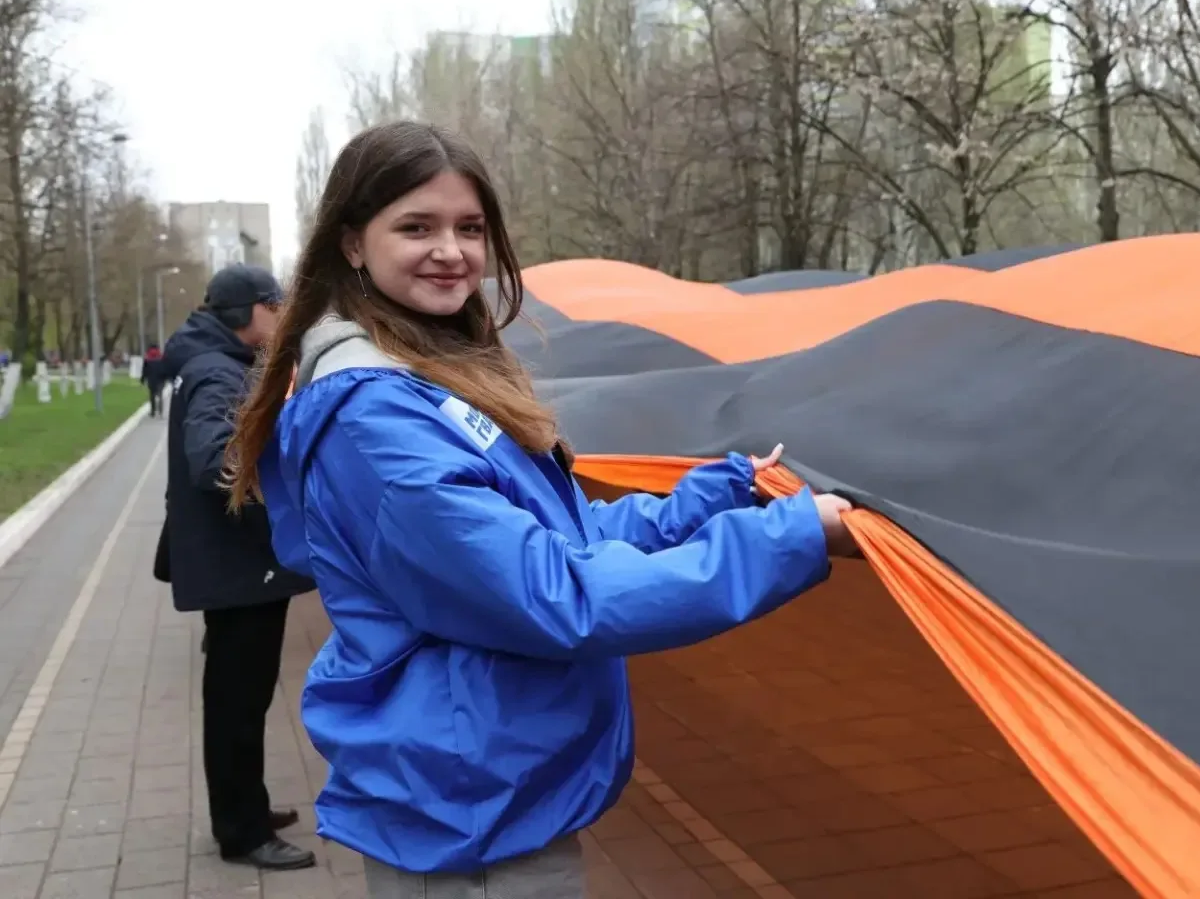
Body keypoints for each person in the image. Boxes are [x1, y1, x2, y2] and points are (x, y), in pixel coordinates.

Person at [223, 121, 858, 899]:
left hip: (485, 788)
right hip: (469, 818)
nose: (451, 251)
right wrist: (793, 537)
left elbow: (564, 538)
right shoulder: (378, 423)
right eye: (416, 227)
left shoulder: (426, 377)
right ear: (353, 243)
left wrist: (717, 492)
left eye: (469, 228)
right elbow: (556, 594)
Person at [160, 264, 318, 871]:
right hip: (239, 567)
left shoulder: (221, 363)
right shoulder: (217, 372)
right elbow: (212, 460)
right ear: (249, 311)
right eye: (275, 306)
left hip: (238, 565)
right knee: (236, 702)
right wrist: (279, 481)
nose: (282, 316)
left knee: (241, 699)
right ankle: (242, 831)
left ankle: (246, 806)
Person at [140, 343, 167, 417]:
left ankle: (153, 411)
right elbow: (165, 368)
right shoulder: (161, 357)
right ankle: (161, 411)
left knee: (152, 396)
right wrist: (166, 377)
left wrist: (142, 380)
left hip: (151, 380)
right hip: (160, 379)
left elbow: (145, 371)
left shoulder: (147, 359)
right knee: (160, 395)